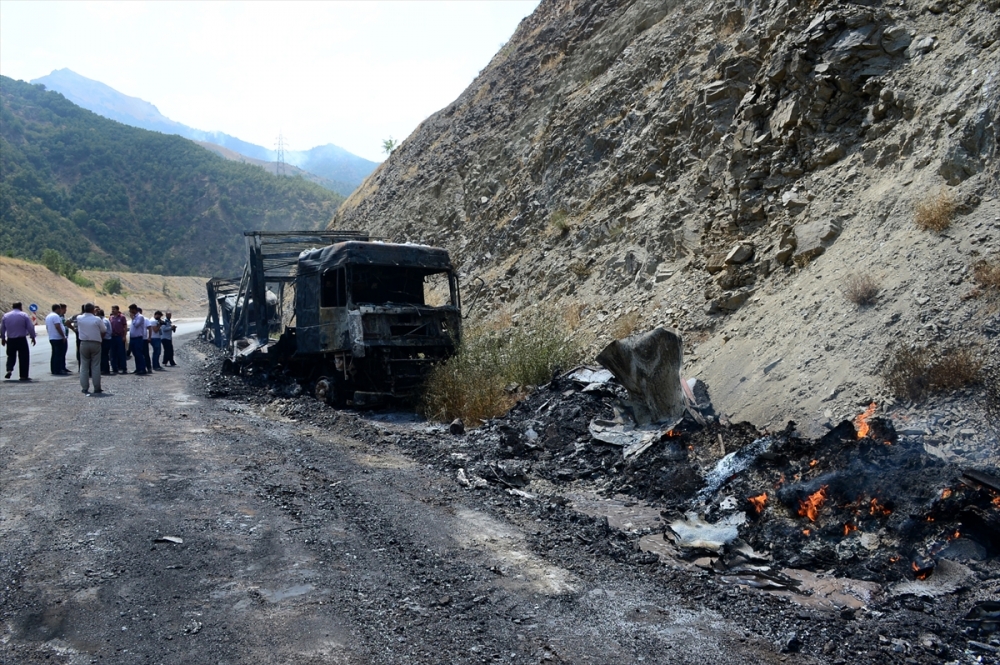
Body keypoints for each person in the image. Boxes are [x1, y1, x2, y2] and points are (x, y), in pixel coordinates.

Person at [76, 303, 107, 394]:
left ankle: (84, 387)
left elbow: (70, 321)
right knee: (96, 365)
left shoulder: (79, 318)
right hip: (95, 342)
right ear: (93, 310)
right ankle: (97, 387)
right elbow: (104, 330)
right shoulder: (97, 319)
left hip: (84, 343)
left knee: (84, 366)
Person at [1, 302, 37, 380]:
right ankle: (23, 375)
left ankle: (9, 369)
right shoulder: (24, 315)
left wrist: (3, 338)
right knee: (24, 357)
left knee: (10, 355)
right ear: (20, 307)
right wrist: (33, 337)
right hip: (21, 339)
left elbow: (2, 328)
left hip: (11, 339)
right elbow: (30, 327)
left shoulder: (6, 316)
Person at [45, 304, 69, 375]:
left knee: (54, 354)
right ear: (57, 309)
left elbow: (47, 327)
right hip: (57, 338)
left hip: (52, 337)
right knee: (58, 354)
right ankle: (58, 369)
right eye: (59, 309)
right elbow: (57, 326)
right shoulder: (55, 316)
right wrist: (63, 336)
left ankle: (54, 369)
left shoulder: (48, 316)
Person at [127, 304, 148, 375]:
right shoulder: (134, 317)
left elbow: (136, 325)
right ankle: (138, 368)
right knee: (135, 354)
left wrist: (133, 318)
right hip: (133, 338)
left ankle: (142, 369)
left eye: (130, 310)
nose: (130, 311)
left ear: (134, 309)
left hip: (138, 338)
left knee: (139, 354)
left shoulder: (140, 317)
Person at [108, 305, 128, 374]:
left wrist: (124, 336)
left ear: (117, 310)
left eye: (114, 309)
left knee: (121, 353)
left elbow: (125, 327)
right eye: (112, 309)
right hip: (113, 337)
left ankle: (123, 368)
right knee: (113, 353)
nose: (113, 310)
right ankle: (114, 368)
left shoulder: (122, 317)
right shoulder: (111, 318)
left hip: (120, 337)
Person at [97, 307, 112, 375]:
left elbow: (104, 331)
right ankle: (104, 369)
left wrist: (101, 339)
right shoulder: (104, 320)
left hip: (105, 340)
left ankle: (105, 369)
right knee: (103, 355)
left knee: (104, 355)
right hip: (106, 339)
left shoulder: (104, 321)